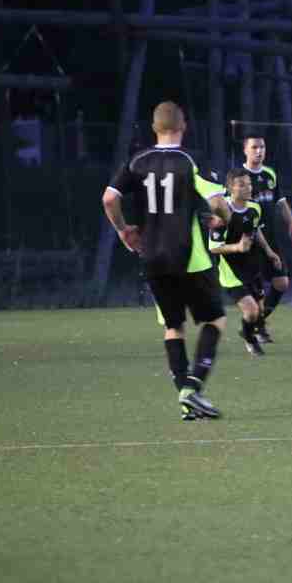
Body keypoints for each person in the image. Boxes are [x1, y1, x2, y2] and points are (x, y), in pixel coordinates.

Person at [101, 101, 232, 420]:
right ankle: (193, 388)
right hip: (190, 257)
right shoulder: (191, 160)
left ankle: (186, 399)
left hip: (152, 257)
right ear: (183, 126)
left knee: (174, 327)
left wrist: (123, 230)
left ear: (154, 128)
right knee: (215, 320)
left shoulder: (137, 161)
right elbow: (217, 202)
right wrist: (223, 219)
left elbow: (109, 198)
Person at [209, 167, 284, 358]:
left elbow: (255, 231)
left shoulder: (254, 208)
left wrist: (270, 252)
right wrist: (237, 247)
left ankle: (247, 332)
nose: (248, 188)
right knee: (251, 311)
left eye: (249, 184)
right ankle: (250, 340)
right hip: (231, 272)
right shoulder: (222, 213)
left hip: (251, 266)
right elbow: (214, 247)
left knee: (258, 312)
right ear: (230, 188)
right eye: (241, 185)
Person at [239, 133, 292, 340]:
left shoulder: (269, 174)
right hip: (250, 239)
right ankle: (256, 328)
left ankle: (257, 323)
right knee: (256, 289)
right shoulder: (239, 176)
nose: (259, 151)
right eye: (254, 147)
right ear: (245, 150)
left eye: (262, 147)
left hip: (271, 237)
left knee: (281, 282)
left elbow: (281, 202)